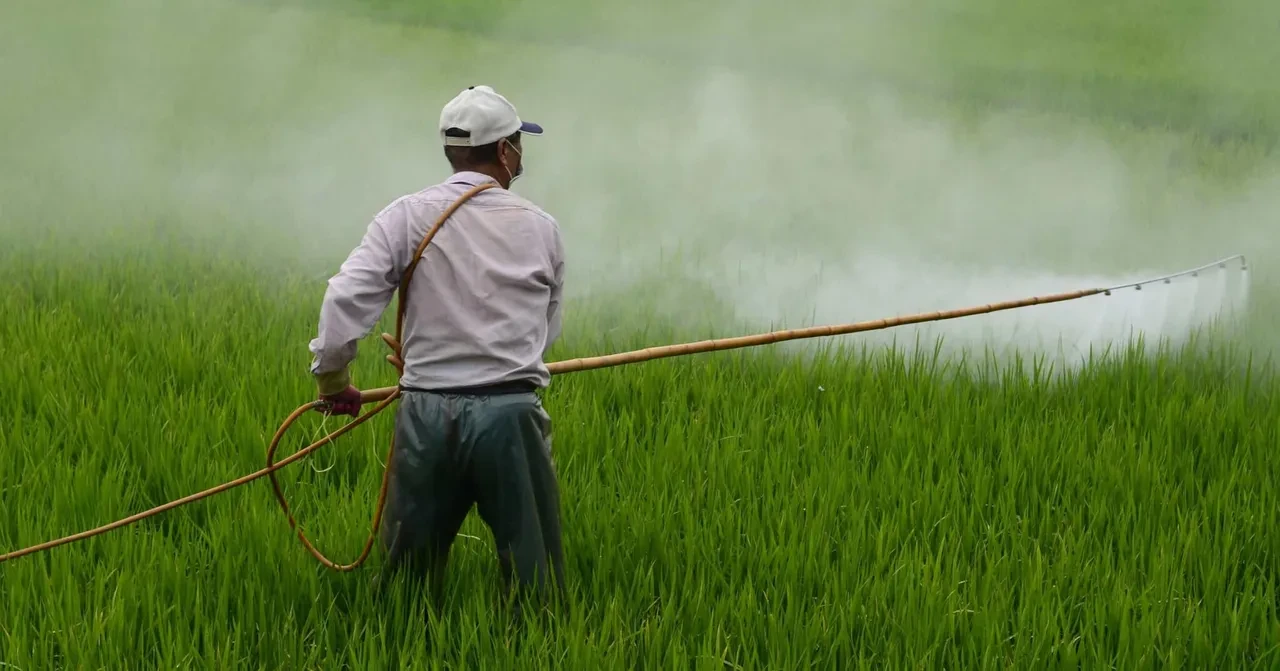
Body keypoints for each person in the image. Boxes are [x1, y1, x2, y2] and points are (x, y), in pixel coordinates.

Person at [306, 85, 567, 611]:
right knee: (535, 577)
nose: (520, 153)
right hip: (511, 416)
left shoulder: (404, 216)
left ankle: (400, 645)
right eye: (518, 143)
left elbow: (345, 298)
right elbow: (544, 334)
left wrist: (333, 382)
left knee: (407, 582)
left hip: (426, 413)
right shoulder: (541, 229)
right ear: (503, 151)